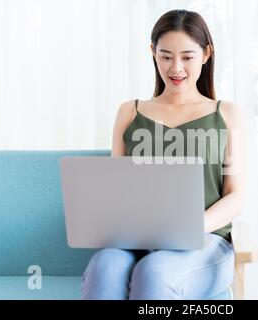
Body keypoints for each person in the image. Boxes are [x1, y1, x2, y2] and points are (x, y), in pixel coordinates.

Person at [81, 9, 245, 300]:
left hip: (205, 240)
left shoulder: (226, 114)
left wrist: (191, 226)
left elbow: (235, 196)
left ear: (206, 54)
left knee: (155, 272)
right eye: (166, 56)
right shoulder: (130, 112)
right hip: (138, 238)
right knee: (104, 266)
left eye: (187, 57)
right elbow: (116, 187)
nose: (176, 68)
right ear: (152, 52)